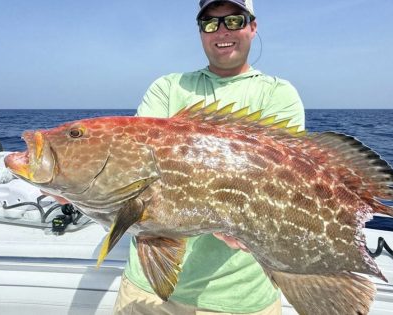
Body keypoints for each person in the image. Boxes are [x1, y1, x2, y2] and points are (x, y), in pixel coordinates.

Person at [113, 1, 305, 314]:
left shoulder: (277, 94)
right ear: (201, 31)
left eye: (234, 20)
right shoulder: (167, 87)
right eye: (210, 23)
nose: (222, 31)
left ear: (252, 27)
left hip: (240, 300)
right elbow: (136, 164)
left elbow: (281, 178)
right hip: (147, 291)